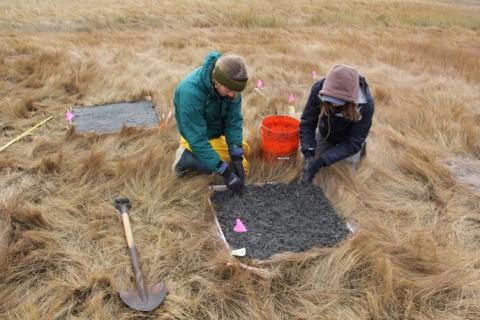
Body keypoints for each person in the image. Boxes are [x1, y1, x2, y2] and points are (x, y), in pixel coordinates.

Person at [172, 51, 249, 190]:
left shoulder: (232, 88)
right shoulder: (189, 92)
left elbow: (234, 121)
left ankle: (218, 159)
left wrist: (236, 157)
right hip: (196, 137)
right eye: (229, 90)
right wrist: (225, 172)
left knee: (243, 157)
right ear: (217, 81)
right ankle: (183, 158)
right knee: (211, 166)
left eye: (236, 91)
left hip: (217, 134)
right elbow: (197, 139)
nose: (233, 95)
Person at [299, 64, 375, 183]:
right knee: (310, 163)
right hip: (326, 133)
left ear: (351, 100)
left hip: (348, 140)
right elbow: (307, 122)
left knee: (343, 175)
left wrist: (324, 160)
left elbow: (353, 143)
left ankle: (361, 151)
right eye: (330, 100)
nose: (333, 105)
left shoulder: (366, 105)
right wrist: (308, 150)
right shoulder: (319, 89)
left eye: (338, 101)